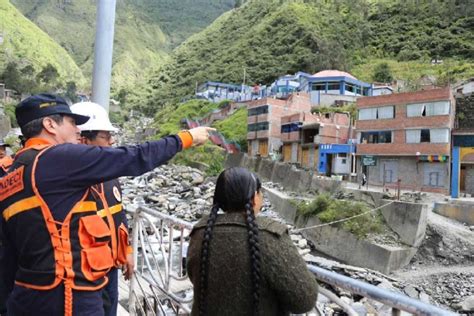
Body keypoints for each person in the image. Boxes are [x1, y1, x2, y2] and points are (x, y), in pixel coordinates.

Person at [0, 93, 213, 316]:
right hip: (69, 297)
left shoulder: (13, 172)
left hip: (28, 296)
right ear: (50, 124)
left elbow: (8, 254)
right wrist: (185, 138)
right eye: (72, 122)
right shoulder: (58, 158)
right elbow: (133, 157)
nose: (77, 130)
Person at [186, 167, 318, 316]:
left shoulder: (200, 233)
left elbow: (193, 276)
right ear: (255, 198)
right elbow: (304, 301)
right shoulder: (270, 237)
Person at [70, 101, 132, 316]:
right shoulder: (68, 179)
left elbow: (118, 213)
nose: (112, 142)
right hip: (85, 273)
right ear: (83, 140)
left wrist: (128, 252)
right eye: (105, 137)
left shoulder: (109, 173)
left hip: (111, 267)